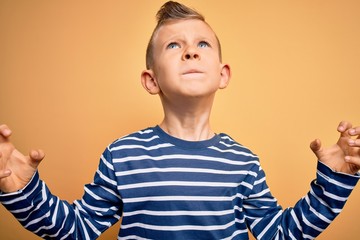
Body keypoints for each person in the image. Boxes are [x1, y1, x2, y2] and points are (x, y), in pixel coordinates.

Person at [0, 1, 360, 239]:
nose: (190, 50)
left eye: (203, 44)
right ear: (151, 80)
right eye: (173, 46)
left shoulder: (243, 161)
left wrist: (334, 183)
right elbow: (77, 228)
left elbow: (281, 233)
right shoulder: (122, 155)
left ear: (223, 74)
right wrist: (23, 192)